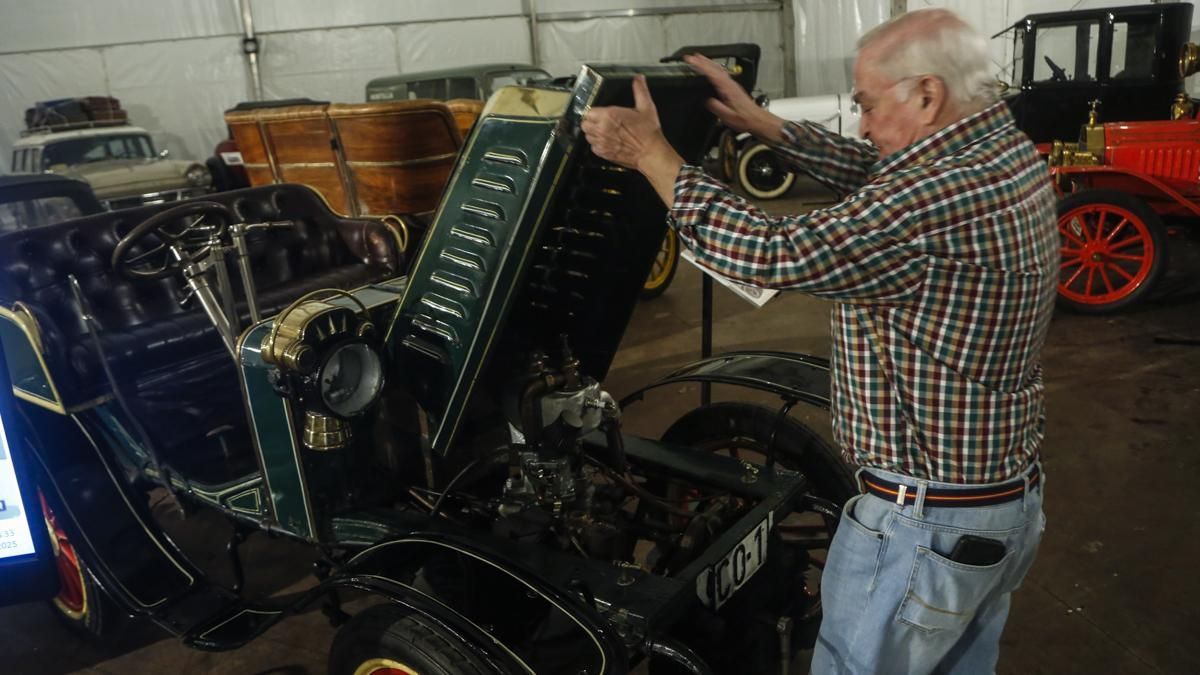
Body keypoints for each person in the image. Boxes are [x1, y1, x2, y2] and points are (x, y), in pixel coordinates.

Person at [582, 8, 1055, 675]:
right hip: (998, 507)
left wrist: (650, 154)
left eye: (866, 104)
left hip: (923, 527)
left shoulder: (930, 202)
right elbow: (879, 171)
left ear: (927, 94)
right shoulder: (998, 151)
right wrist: (767, 125)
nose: (862, 125)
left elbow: (766, 251)